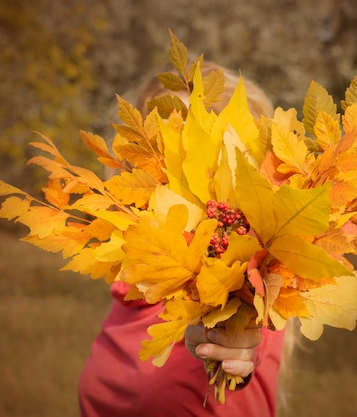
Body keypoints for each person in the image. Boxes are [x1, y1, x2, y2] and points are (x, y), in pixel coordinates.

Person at [77, 63, 287, 417]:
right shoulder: (132, 286)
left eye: (203, 140)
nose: (181, 165)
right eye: (165, 142)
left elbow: (245, 338)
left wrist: (230, 339)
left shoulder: (247, 278)